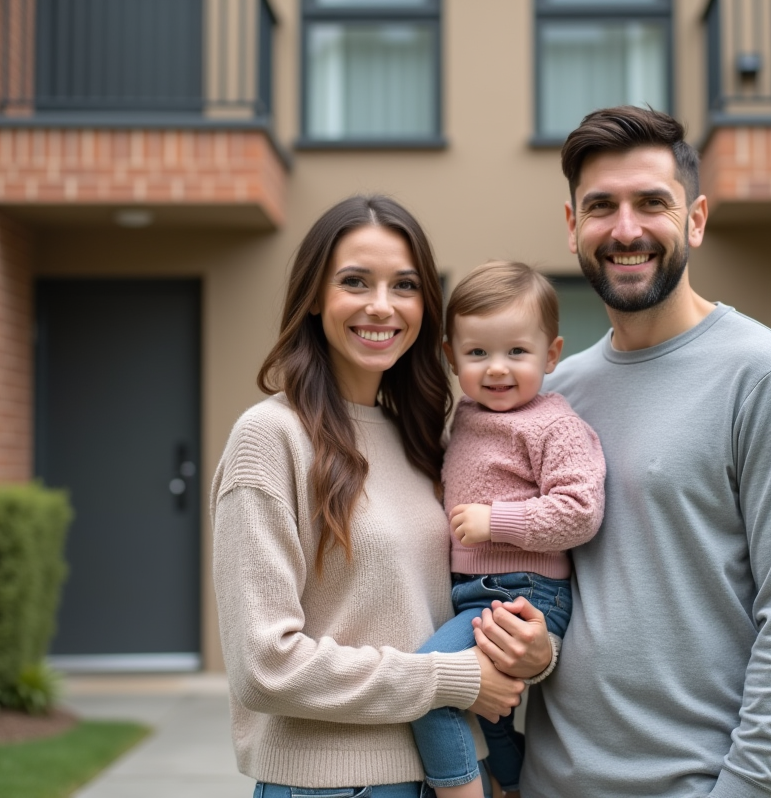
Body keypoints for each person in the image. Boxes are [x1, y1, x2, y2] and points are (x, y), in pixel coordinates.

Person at [503, 107, 771, 797]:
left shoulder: (770, 377)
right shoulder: (555, 395)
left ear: (695, 219)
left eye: (652, 203)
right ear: (573, 226)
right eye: (601, 206)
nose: (626, 229)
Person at [210, 195, 552, 798]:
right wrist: (448, 680)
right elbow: (264, 667)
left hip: (452, 774)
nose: (381, 305)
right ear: (314, 297)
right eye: (355, 282)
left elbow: (455, 606)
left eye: (405, 285)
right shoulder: (270, 438)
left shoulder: (420, 437)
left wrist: (533, 652)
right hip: (336, 787)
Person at [408, 261, 606, 798]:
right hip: (477, 592)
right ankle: (512, 786)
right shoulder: (467, 416)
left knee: (430, 684)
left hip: (522, 592)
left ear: (552, 354)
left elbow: (580, 510)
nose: (497, 369)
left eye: (516, 352)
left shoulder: (553, 424)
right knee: (488, 714)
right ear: (451, 357)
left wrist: (496, 520)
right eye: (478, 353)